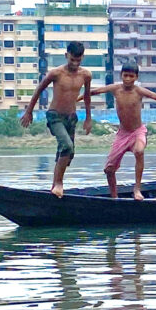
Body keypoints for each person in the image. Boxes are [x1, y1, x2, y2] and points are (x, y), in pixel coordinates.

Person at [82, 61, 156, 201]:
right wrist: (75, 99)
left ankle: (137, 189)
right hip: (122, 134)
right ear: (121, 75)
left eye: (131, 76)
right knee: (109, 170)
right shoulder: (115, 89)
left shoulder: (139, 91)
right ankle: (114, 197)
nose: (128, 79)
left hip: (138, 131)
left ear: (136, 77)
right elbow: (92, 92)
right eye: (125, 76)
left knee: (139, 150)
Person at [20, 41, 92, 198]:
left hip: (71, 118)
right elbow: (39, 89)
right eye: (72, 59)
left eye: (78, 60)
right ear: (66, 56)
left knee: (68, 154)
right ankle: (58, 184)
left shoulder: (86, 75)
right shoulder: (56, 73)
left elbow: (86, 96)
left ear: (82, 58)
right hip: (55, 116)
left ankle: (55, 185)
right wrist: (29, 112)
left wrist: (88, 118)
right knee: (66, 146)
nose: (74, 63)